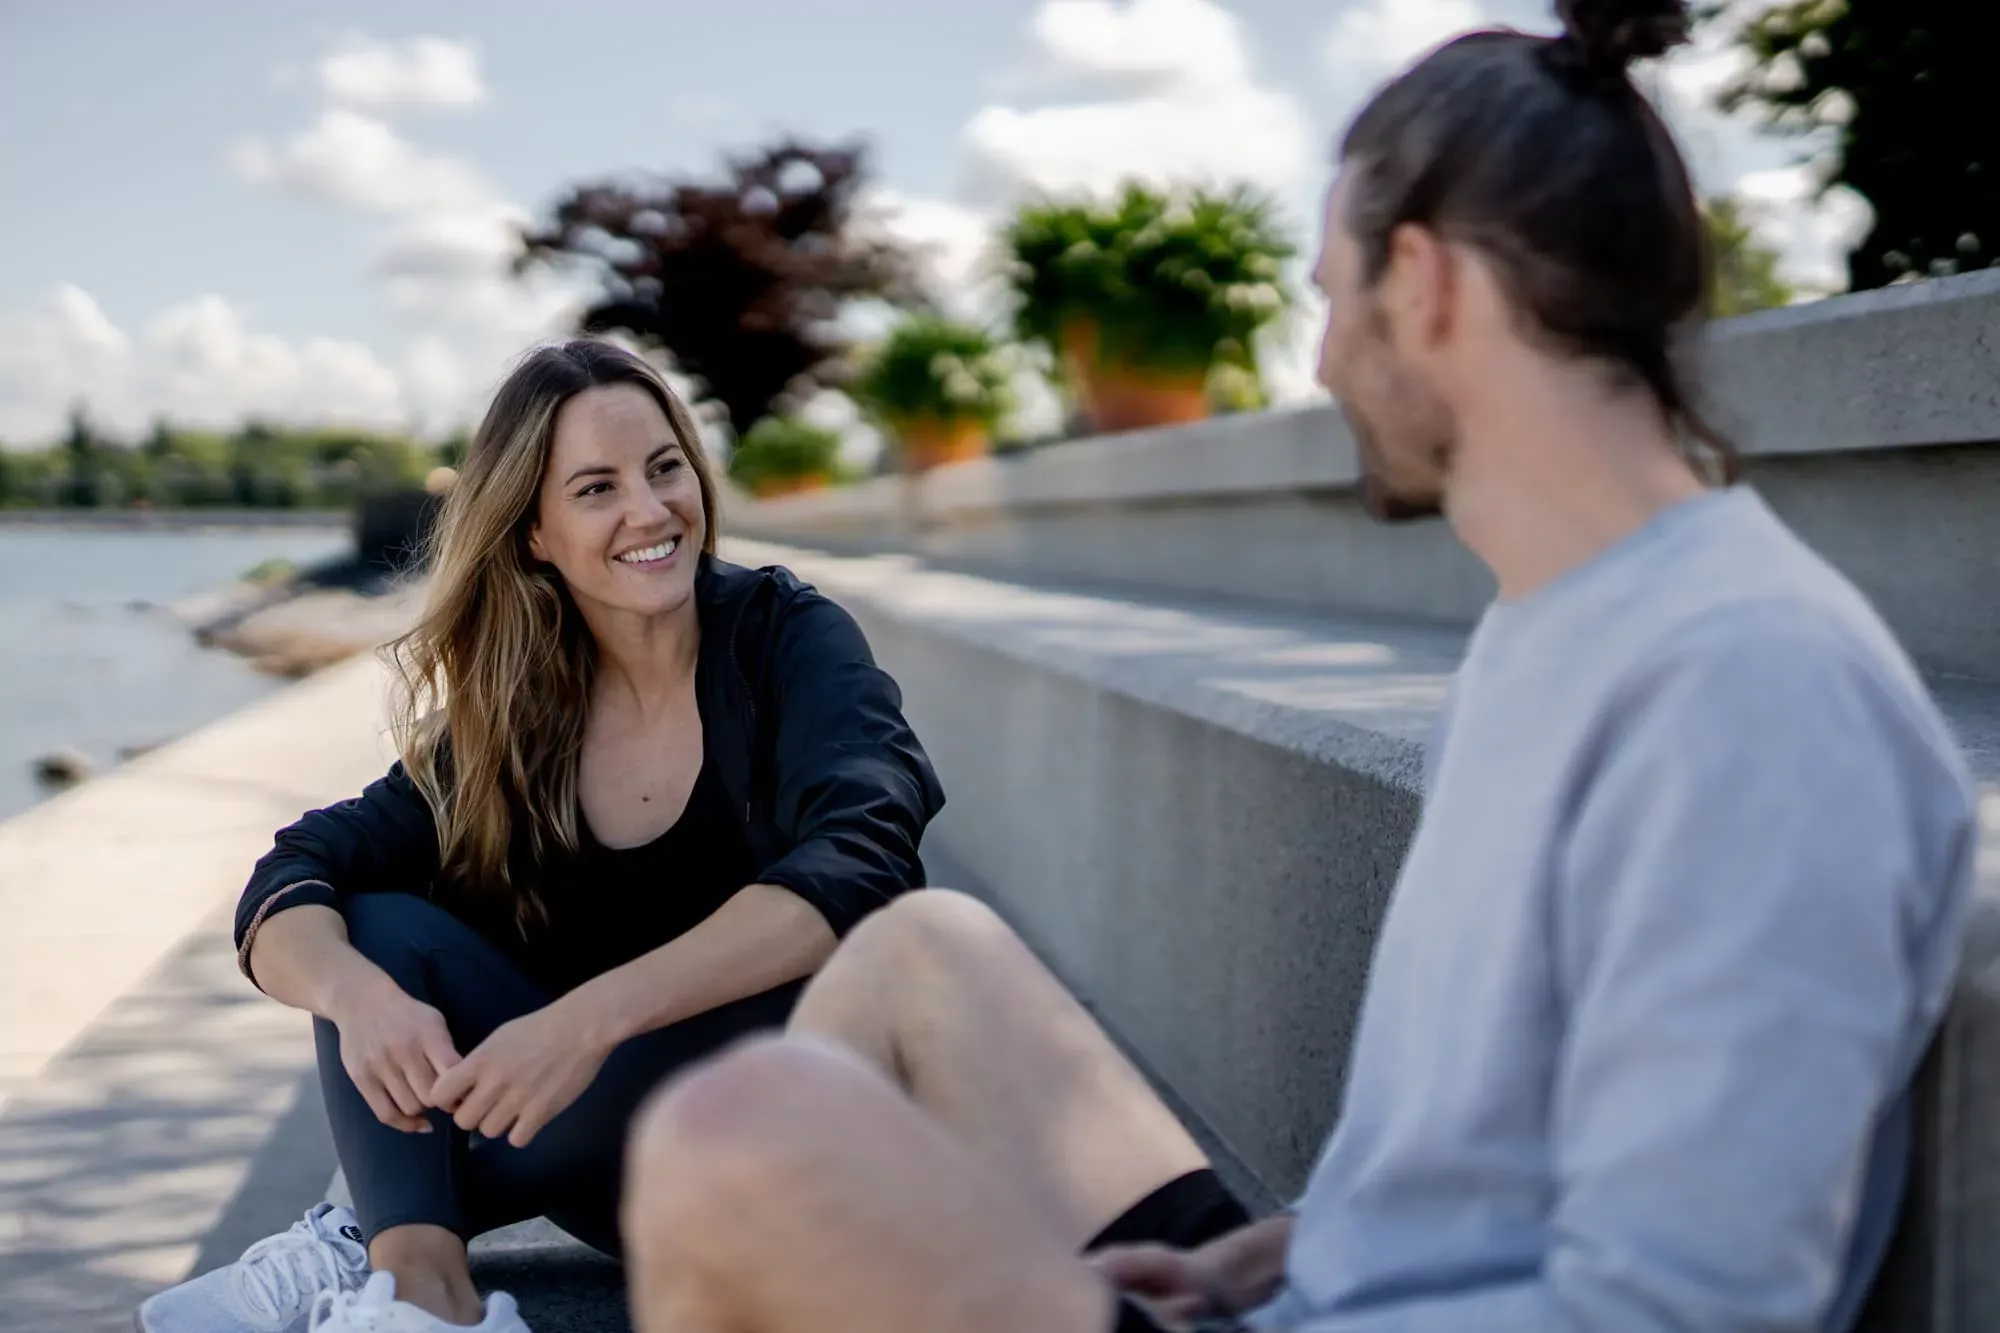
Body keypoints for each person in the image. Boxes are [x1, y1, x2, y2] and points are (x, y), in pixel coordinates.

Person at [613, 2, 1978, 1331]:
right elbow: (1474, 1157)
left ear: (1427, 284)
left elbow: (1687, 1305)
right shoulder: (1547, 630)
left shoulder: (1747, 689)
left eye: (1336, 299)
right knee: (923, 949)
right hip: (1322, 1295)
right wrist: (1268, 1259)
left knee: (739, 1139)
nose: (1320, 363)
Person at [136, 339, 944, 1333]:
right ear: (533, 535)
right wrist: (356, 998)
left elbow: (864, 860)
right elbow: (295, 868)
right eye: (596, 488)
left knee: (784, 972)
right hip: (608, 1174)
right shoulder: (521, 714)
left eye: (663, 468)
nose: (649, 512)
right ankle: (424, 1296)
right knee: (376, 929)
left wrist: (586, 1019)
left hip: (796, 1140)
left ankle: (369, 1235)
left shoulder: (785, 635)